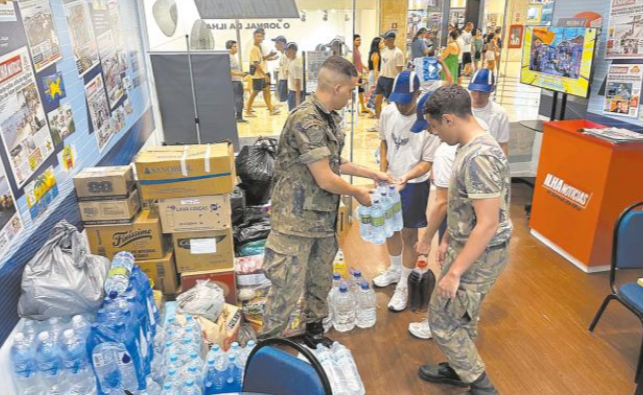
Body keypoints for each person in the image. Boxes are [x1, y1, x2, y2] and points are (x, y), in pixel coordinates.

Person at [259, 56, 393, 346]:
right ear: (336, 87)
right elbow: (325, 178)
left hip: (322, 219)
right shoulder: (306, 119)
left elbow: (334, 161)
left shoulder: (329, 116)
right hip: (295, 222)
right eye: (350, 90)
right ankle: (266, 347)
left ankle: (314, 330)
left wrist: (373, 173)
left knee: (319, 280)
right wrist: (358, 192)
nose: (353, 95)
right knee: (286, 288)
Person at [418, 84, 512, 395]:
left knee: (442, 320)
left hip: (480, 254)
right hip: (468, 246)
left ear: (448, 119)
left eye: (433, 126)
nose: (433, 134)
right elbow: (465, 209)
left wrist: (455, 272)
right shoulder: (470, 145)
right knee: (464, 316)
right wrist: (446, 240)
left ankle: (483, 388)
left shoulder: (478, 157)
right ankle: (460, 370)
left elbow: (487, 223)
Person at [374, 70, 440, 312]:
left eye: (406, 100)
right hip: (389, 179)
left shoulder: (427, 123)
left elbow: (427, 161)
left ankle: (404, 283)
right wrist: (382, 170)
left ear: (417, 94)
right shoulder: (388, 111)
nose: (401, 105)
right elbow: (383, 141)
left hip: (414, 184)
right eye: (397, 99)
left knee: (409, 235)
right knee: (389, 228)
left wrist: (406, 176)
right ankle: (394, 269)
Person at [369, 30, 405, 132]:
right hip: (382, 79)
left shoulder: (398, 53)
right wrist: (378, 78)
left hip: (391, 80)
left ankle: (391, 125)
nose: (384, 41)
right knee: (377, 102)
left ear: (392, 40)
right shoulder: (383, 51)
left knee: (391, 105)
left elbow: (399, 71)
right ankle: (378, 124)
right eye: (384, 39)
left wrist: (399, 85)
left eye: (386, 39)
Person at [469, 69, 510, 156]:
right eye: (474, 91)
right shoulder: (461, 109)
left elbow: (502, 144)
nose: (477, 95)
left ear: (492, 89)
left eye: (482, 92)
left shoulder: (500, 114)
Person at [246, 29, 280, 117]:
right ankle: (248, 110)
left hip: (262, 73)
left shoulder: (258, 47)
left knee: (265, 91)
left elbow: (261, 60)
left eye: (261, 36)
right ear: (254, 37)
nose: (260, 38)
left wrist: (270, 57)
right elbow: (256, 64)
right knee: (255, 93)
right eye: (258, 36)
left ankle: (271, 109)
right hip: (258, 75)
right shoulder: (254, 49)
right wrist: (265, 75)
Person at [226, 40, 248, 123]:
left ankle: (239, 116)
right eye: (234, 46)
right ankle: (238, 116)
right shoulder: (228, 56)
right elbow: (227, 69)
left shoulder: (232, 56)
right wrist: (240, 74)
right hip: (234, 81)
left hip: (237, 80)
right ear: (229, 48)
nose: (236, 48)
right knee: (238, 98)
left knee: (239, 98)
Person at [351, 34, 371, 115]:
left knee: (360, 91)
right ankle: (357, 110)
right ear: (353, 41)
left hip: (359, 73)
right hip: (355, 74)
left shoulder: (357, 50)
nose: (359, 42)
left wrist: (365, 67)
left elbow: (359, 62)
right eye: (357, 40)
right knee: (356, 92)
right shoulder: (353, 51)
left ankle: (362, 107)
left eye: (360, 40)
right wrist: (356, 72)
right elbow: (352, 63)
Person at [367, 37, 384, 118]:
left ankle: (371, 110)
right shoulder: (376, 54)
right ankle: (371, 109)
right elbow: (376, 68)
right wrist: (377, 79)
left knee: (372, 93)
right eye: (381, 43)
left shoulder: (374, 53)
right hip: (374, 74)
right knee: (373, 93)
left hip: (372, 74)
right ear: (377, 44)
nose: (383, 44)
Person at [285, 42, 303, 111]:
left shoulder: (296, 64)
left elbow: (298, 83)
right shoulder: (291, 61)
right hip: (292, 92)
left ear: (293, 51)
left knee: (295, 115)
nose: (286, 52)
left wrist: (297, 101)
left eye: (287, 50)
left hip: (296, 93)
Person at [272, 35, 289, 104]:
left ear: (282, 43)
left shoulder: (286, 55)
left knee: (285, 103)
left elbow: (288, 71)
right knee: (283, 102)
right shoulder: (282, 55)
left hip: (285, 81)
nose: (275, 45)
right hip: (282, 80)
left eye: (276, 43)